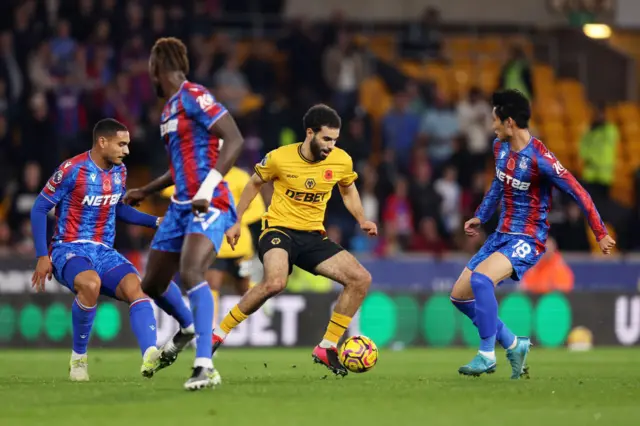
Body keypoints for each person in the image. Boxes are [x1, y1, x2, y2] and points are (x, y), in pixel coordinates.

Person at [450, 89, 615, 379]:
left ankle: (486, 355)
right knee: (459, 297)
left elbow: (578, 191)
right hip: (501, 234)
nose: (492, 126)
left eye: (495, 121)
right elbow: (498, 186)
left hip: (528, 239)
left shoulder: (542, 159)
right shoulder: (499, 148)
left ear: (510, 122)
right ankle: (514, 344)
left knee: (480, 279)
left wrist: (599, 231)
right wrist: (481, 215)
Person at [212, 104, 378, 376]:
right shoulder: (279, 157)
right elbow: (254, 183)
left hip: (313, 235)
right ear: (309, 133)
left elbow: (348, 191)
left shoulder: (341, 160)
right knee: (275, 282)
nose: (331, 146)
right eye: (326, 139)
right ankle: (218, 334)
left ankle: (327, 346)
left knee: (361, 279)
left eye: (335, 140)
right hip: (278, 230)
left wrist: (362, 219)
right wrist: (235, 221)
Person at [30, 118, 194, 382]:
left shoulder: (120, 171)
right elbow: (39, 208)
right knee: (90, 284)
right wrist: (41, 255)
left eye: (127, 144)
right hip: (68, 248)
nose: (126, 150)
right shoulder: (72, 169)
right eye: (121, 144)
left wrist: (156, 222)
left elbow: (118, 208)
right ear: (102, 142)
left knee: (138, 289)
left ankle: (150, 354)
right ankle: (78, 361)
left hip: (104, 251)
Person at [123, 37, 244, 391]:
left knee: (192, 271)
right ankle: (189, 327)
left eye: (151, 72)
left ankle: (205, 365)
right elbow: (179, 168)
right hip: (179, 205)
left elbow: (233, 139)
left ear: (156, 67)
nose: (151, 79)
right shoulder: (167, 111)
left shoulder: (195, 94)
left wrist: (206, 190)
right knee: (152, 284)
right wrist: (147, 190)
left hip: (210, 200)